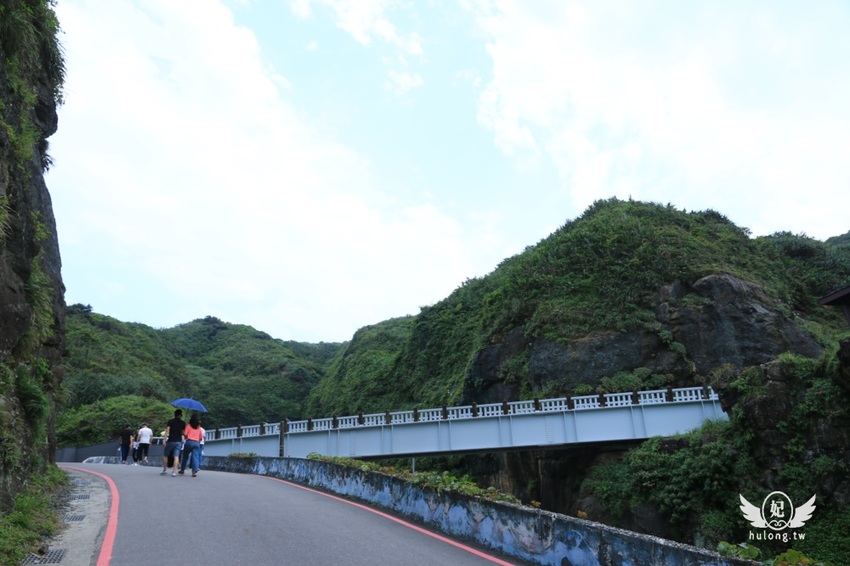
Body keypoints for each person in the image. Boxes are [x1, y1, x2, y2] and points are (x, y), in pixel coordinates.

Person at [161, 409, 185, 476]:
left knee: (165, 455)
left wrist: (164, 440)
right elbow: (183, 433)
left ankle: (165, 470)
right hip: (178, 441)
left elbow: (167, 431)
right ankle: (174, 472)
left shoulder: (170, 421)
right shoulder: (183, 423)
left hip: (171, 440)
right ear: (180, 415)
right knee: (176, 456)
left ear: (175, 414)